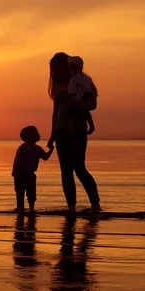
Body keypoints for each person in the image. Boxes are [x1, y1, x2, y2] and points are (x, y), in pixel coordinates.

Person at [46, 52, 101, 213]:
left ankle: (95, 205)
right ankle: (71, 207)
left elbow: (92, 104)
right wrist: (52, 135)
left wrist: (76, 104)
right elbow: (55, 112)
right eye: (53, 68)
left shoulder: (81, 82)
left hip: (77, 130)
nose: (56, 71)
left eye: (58, 67)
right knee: (66, 171)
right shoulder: (56, 86)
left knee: (79, 167)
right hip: (61, 131)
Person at [12, 125, 54, 213]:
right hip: (20, 174)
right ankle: (20, 208)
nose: (38, 134)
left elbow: (45, 157)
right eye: (35, 133)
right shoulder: (23, 147)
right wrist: (14, 171)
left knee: (31, 193)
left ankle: (31, 209)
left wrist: (51, 149)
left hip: (30, 174)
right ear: (27, 137)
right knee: (20, 192)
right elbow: (17, 159)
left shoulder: (38, 148)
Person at [68, 56, 96, 136]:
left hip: (78, 98)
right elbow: (94, 89)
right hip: (82, 98)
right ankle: (91, 126)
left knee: (70, 113)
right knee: (85, 112)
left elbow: (82, 88)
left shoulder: (77, 78)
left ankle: (72, 131)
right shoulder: (87, 78)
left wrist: (77, 99)